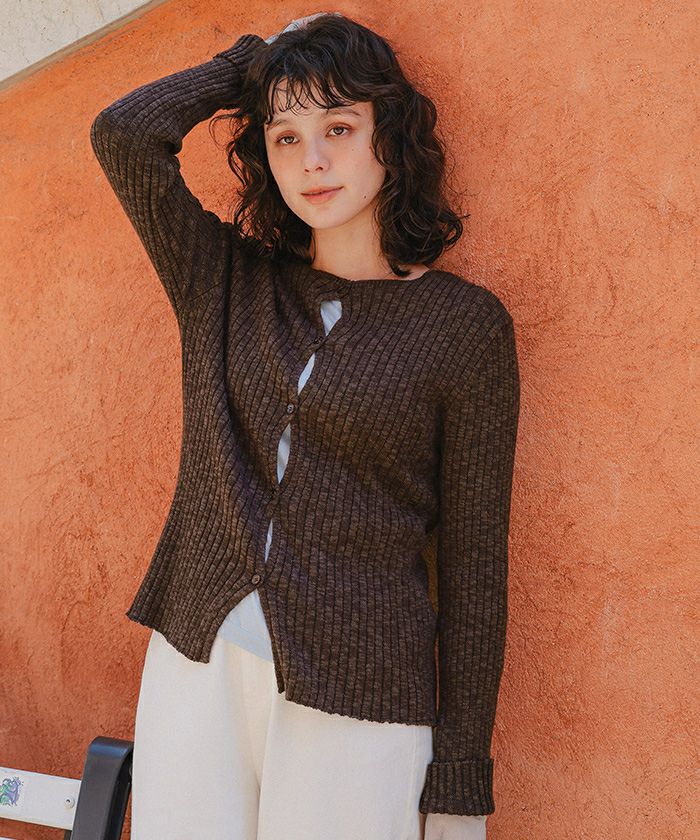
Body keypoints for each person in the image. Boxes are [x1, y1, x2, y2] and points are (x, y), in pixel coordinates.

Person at [89, 11, 520, 840]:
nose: (313, 160)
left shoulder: (465, 328)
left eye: (339, 127)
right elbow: (124, 135)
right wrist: (252, 67)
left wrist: (460, 784)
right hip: (198, 670)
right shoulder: (225, 281)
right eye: (286, 137)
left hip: (361, 701)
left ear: (390, 135)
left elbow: (475, 567)